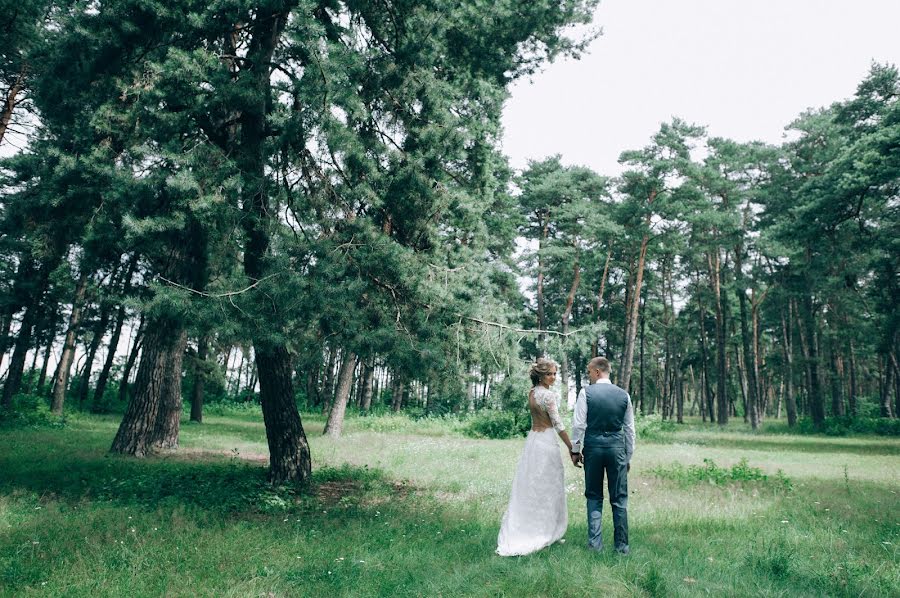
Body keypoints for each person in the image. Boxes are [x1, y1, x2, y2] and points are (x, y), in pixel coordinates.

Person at [496, 357, 578, 556]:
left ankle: (538, 527)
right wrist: (571, 447)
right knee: (547, 486)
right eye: (549, 374)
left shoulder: (532, 393)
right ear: (540, 375)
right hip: (546, 442)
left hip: (533, 441)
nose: (553, 377)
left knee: (533, 484)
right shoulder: (548, 396)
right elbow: (558, 424)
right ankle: (545, 531)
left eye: (555, 373)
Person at [569, 357, 635, 554]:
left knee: (594, 495)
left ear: (598, 372)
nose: (589, 376)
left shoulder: (586, 393)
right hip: (617, 450)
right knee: (619, 498)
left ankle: (595, 545)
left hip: (594, 449)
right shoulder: (624, 395)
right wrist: (628, 456)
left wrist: (575, 450)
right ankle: (622, 547)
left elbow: (579, 425)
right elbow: (630, 429)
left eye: (590, 372)